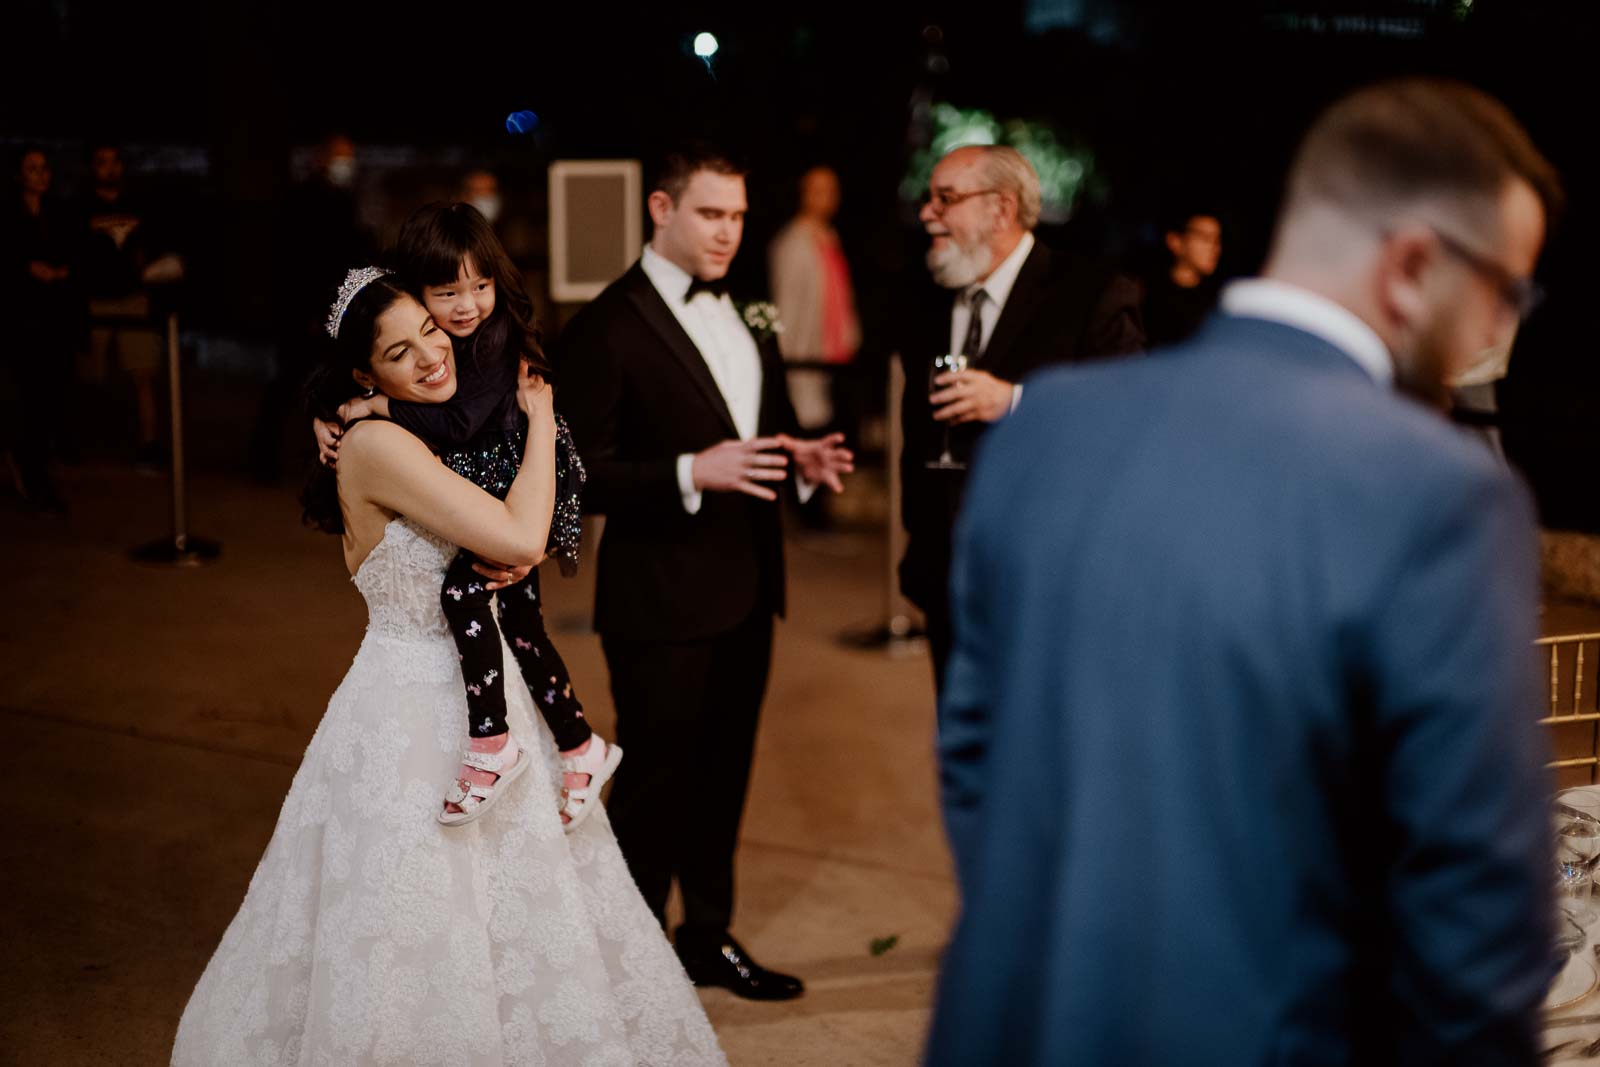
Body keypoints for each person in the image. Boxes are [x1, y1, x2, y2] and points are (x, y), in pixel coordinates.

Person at [927, 78, 1561, 1065]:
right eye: (1503, 288)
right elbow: (1471, 904)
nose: (1498, 327)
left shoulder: (1044, 432)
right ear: (1413, 264)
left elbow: (973, 759)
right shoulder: (1436, 494)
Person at [173, 268, 725, 1066]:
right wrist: (541, 420)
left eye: (432, 330)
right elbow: (519, 538)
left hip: (486, 699)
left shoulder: (438, 425)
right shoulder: (381, 442)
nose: (433, 354)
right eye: (401, 351)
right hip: (411, 713)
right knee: (415, 920)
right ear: (366, 375)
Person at [556, 141, 853, 1001]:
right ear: (661, 209)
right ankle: (630, 960)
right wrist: (691, 470)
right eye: (710, 214)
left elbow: (764, 423)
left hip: (750, 586)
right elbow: (578, 473)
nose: (728, 233)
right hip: (658, 595)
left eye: (738, 217)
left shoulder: (751, 307)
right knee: (654, 782)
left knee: (726, 773)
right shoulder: (608, 324)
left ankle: (708, 937)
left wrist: (797, 455)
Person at [313, 202, 619, 831]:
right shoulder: (439, 359)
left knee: (470, 591)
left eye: (479, 288)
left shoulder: (490, 346)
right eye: (445, 295)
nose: (463, 311)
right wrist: (333, 413)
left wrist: (375, 410)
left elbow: (455, 425)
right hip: (499, 485)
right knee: (528, 629)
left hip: (525, 478)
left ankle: (494, 741)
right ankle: (579, 742)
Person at [899, 144, 1143, 697]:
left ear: (1001, 210)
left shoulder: (1092, 293)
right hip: (948, 580)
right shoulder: (928, 297)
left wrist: (1014, 402)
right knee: (962, 750)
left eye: (946, 199)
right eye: (928, 198)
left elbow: (1129, 419)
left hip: (1049, 583)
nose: (927, 213)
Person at [79, 143, 170, 469]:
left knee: (143, 374)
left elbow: (155, 248)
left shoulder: (137, 205)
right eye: (102, 162)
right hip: (93, 300)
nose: (109, 168)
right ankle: (78, 442)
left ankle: (149, 445)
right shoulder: (80, 207)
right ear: (92, 167)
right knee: (88, 374)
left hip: (132, 298)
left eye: (115, 161)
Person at [2, 146, 78, 512]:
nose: (41, 175)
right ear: (19, 175)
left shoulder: (57, 213)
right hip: (21, 318)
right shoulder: (8, 216)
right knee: (29, 397)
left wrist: (62, 272)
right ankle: (29, 470)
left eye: (45, 168)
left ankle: (39, 468)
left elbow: (75, 253)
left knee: (50, 397)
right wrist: (26, 268)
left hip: (52, 318)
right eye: (33, 169)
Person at [768, 164, 861, 433]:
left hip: (832, 351)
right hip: (802, 352)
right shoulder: (792, 243)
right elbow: (787, 302)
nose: (827, 197)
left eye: (832, 190)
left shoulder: (830, 236)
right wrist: (785, 353)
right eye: (818, 190)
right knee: (806, 417)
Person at [1141, 208, 1222, 346]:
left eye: (1217, 240)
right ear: (1175, 241)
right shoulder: (1146, 296)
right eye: (1206, 238)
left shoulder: (1218, 301)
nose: (1215, 248)